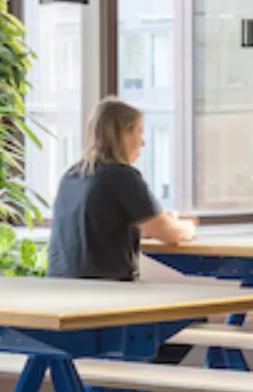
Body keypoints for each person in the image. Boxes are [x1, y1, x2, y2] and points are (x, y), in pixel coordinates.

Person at [47, 97, 198, 282]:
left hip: (61, 288)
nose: (142, 143)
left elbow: (100, 229)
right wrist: (188, 228)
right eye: (139, 132)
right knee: (192, 306)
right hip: (106, 292)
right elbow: (170, 235)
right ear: (124, 134)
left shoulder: (72, 176)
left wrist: (153, 223)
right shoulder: (122, 176)